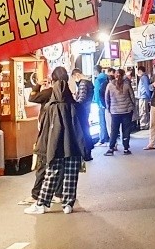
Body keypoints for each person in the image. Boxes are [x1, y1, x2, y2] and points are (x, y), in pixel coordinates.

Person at [25, 67, 85, 215]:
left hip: (55, 144)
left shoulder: (51, 105)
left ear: (53, 80)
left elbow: (48, 130)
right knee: (71, 173)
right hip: (73, 145)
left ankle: (42, 204)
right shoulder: (73, 102)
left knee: (51, 172)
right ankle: (68, 204)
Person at [104, 68, 135, 155]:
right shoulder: (127, 84)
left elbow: (107, 99)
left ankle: (111, 148)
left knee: (114, 130)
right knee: (126, 130)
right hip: (126, 111)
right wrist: (132, 107)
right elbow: (132, 97)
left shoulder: (110, 85)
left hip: (115, 112)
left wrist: (109, 108)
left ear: (115, 75)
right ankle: (126, 149)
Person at [71, 69, 95, 161]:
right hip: (86, 109)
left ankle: (86, 152)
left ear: (77, 75)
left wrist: (75, 102)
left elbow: (82, 98)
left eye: (74, 77)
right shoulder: (89, 82)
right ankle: (87, 152)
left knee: (83, 131)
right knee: (86, 130)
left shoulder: (83, 83)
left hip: (82, 110)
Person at [93, 65, 109, 147]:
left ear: (96, 71)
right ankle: (108, 137)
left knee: (102, 122)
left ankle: (102, 139)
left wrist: (96, 101)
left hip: (101, 104)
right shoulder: (107, 77)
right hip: (108, 103)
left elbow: (97, 93)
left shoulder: (97, 80)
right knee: (107, 121)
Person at [135, 64, 153, 131]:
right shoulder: (144, 77)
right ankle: (146, 124)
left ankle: (144, 125)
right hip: (143, 96)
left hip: (143, 97)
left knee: (143, 111)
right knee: (144, 110)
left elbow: (146, 87)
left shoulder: (144, 78)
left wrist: (149, 97)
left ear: (140, 71)